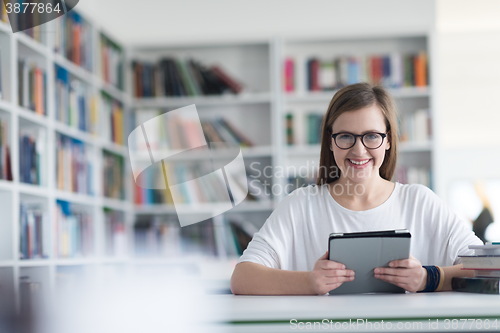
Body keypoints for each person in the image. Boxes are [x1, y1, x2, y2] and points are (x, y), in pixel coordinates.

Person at [230, 82, 482, 295]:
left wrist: (428, 278)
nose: (358, 150)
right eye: (346, 136)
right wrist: (309, 281)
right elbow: (241, 278)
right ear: (330, 142)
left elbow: (486, 268)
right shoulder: (300, 205)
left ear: (388, 140)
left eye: (371, 135)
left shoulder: (420, 202)